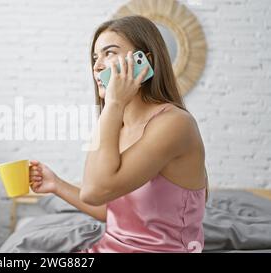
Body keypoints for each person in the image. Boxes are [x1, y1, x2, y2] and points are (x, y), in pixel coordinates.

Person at [29, 15, 208, 253]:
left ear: (144, 62)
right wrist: (56, 185)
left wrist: (113, 104)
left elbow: (94, 191)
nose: (97, 66)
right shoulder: (119, 127)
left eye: (109, 53)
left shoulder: (175, 124)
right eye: (95, 57)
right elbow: (113, 209)